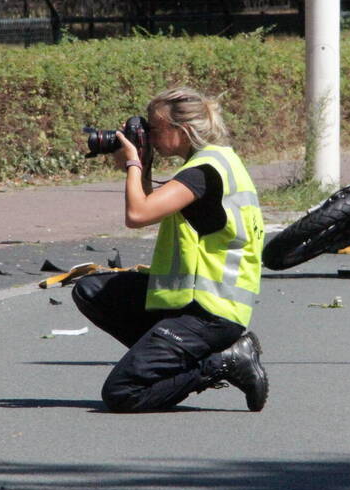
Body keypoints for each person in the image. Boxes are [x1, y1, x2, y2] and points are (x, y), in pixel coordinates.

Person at [71, 87, 268, 413]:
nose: (149, 134)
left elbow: (137, 215)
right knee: (91, 289)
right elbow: (148, 206)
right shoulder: (214, 160)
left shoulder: (203, 173)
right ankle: (170, 358)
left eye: (154, 128)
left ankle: (219, 363)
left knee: (122, 393)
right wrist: (143, 164)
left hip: (211, 312)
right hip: (187, 299)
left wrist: (134, 162)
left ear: (182, 130)